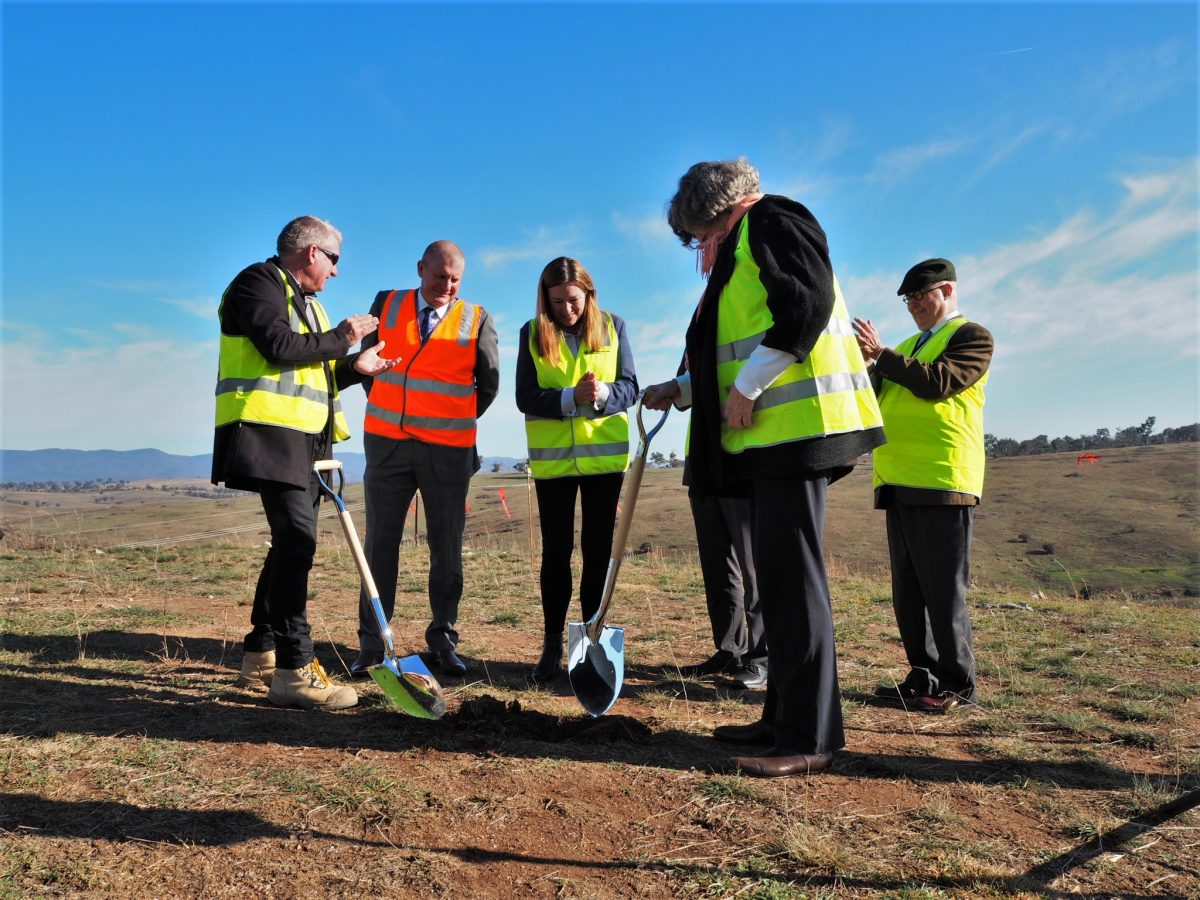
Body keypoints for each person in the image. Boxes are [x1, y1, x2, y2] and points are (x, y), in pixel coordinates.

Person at [645, 158, 885, 778]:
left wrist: (749, 387)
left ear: (716, 212)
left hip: (800, 431)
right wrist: (687, 390)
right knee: (776, 580)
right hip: (772, 439)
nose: (701, 248)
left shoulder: (774, 219)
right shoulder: (746, 242)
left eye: (699, 235)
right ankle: (781, 719)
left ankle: (812, 737)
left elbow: (805, 304)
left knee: (794, 580)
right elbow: (737, 343)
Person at [213, 215, 397, 710]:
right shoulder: (258, 283)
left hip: (303, 443)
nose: (336, 272)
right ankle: (296, 669)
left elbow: (311, 373)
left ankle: (261, 651)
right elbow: (277, 347)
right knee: (297, 543)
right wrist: (342, 337)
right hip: (269, 436)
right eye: (335, 259)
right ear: (312, 253)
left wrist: (354, 367)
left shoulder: (307, 304)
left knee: (287, 547)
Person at [349, 241, 500, 679]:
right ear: (420, 269)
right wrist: (387, 404)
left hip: (448, 452)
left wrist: (448, 419)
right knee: (379, 546)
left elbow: (487, 385)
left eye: (455, 280)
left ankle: (444, 641)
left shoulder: (477, 318)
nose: (447, 287)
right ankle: (372, 645)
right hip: (387, 445)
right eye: (439, 277)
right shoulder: (387, 304)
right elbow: (367, 363)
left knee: (447, 549)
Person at [852, 258, 993, 713]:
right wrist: (861, 366)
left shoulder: (972, 337)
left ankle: (958, 686)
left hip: (942, 479)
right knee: (909, 591)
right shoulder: (908, 346)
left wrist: (884, 357)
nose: (913, 306)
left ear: (947, 292)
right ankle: (924, 675)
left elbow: (938, 383)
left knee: (943, 590)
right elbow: (870, 399)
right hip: (898, 481)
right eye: (908, 300)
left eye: (920, 296)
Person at [516, 257, 638, 682]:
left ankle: (590, 641)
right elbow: (525, 396)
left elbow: (631, 388)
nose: (566, 310)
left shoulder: (615, 326)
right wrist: (570, 397)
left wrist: (603, 393)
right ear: (544, 300)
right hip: (554, 466)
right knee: (556, 554)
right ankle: (551, 644)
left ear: (589, 294)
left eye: (574, 301)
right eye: (556, 302)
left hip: (604, 463)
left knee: (598, 551)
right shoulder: (531, 333)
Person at [645, 364, 767, 690]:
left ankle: (761, 658)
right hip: (702, 459)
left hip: (742, 453)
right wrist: (670, 387)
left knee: (753, 565)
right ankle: (730, 650)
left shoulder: (734, 315)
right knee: (716, 562)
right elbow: (688, 392)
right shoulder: (698, 325)